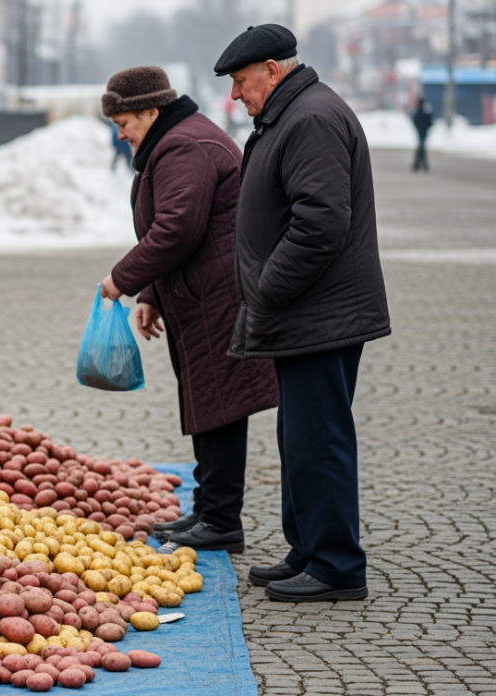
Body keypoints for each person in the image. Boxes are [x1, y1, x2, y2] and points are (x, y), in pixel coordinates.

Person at [215, 25, 390, 602]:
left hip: (319, 312)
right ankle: (309, 548)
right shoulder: (290, 113)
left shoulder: (310, 117)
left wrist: (266, 289)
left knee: (321, 438)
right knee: (300, 434)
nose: (236, 95)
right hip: (307, 312)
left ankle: (338, 565)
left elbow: (320, 223)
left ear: (272, 68)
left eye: (242, 82)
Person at [97, 66, 278, 554]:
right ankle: (211, 511)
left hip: (215, 294)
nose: (120, 132)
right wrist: (153, 294)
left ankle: (221, 520)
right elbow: (177, 227)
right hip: (198, 292)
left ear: (151, 112)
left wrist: (123, 279)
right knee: (209, 401)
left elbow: (177, 227)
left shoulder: (183, 146)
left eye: (125, 122)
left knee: (219, 404)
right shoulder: (176, 139)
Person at [412, 97, 433, 172]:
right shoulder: (421, 112)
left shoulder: (423, 112)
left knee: (421, 148)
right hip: (421, 132)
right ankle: (422, 164)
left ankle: (417, 164)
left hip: (423, 132)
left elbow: (429, 122)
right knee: (422, 148)